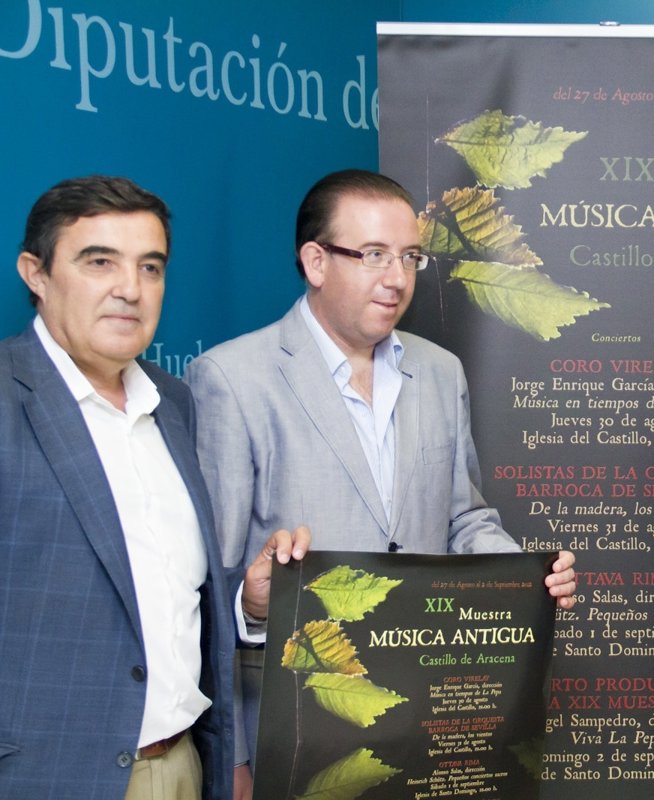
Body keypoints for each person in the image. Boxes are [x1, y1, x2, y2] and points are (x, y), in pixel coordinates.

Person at [185, 169, 577, 792]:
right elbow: (210, 581)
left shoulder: (441, 371)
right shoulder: (233, 379)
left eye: (409, 256)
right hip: (290, 728)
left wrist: (525, 578)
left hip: (427, 719)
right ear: (316, 261)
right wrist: (229, 754)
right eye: (373, 255)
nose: (397, 278)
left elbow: (463, 517)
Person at [0, 175, 305, 800]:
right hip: (46, 778)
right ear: (36, 274)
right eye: (99, 262)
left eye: (150, 267)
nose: (130, 289)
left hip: (184, 764)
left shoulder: (174, 402)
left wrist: (247, 601)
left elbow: (162, 592)